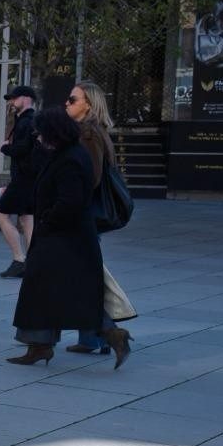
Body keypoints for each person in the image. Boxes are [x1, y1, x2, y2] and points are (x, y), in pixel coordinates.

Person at [6, 106, 127, 366]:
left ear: (54, 133)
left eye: (41, 134)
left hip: (62, 238)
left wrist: (48, 221)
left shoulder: (71, 158)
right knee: (66, 292)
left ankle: (43, 345)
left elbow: (69, 201)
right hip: (66, 238)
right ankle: (44, 344)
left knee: (45, 290)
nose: (38, 138)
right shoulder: (65, 153)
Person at [64, 79, 132, 364]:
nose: (66, 103)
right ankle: (92, 337)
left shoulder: (89, 134)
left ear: (88, 105)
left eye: (72, 99)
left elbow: (88, 178)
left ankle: (110, 332)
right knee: (83, 276)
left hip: (83, 216)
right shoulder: (89, 131)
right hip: (83, 216)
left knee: (79, 277)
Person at [0, 84, 38, 278]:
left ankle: (19, 259)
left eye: (14, 98)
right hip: (29, 177)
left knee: (1, 216)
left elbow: (23, 149)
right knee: (27, 219)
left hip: (23, 178)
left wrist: (5, 148)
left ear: (26, 99)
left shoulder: (27, 122)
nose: (11, 102)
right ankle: (34, 262)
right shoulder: (30, 120)